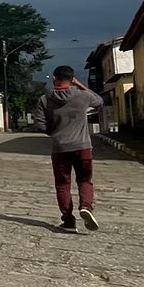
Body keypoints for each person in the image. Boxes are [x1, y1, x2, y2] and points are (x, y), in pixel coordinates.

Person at [35, 65, 104, 232]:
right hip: (83, 146)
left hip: (60, 148)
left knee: (62, 184)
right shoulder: (83, 96)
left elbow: (40, 124)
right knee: (85, 180)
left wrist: (54, 132)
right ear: (72, 79)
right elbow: (99, 101)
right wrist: (79, 85)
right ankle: (86, 206)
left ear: (54, 79)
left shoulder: (44, 99)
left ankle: (68, 221)